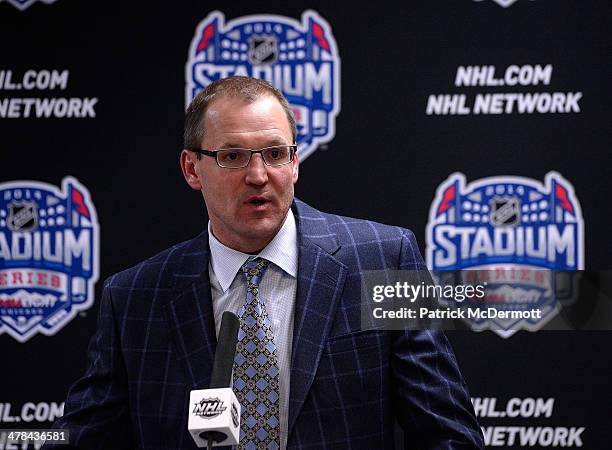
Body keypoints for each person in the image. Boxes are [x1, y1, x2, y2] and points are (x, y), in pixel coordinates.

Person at [48, 76, 483, 449]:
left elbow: (448, 430)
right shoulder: (135, 297)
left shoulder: (388, 258)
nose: (259, 175)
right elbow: (83, 436)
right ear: (192, 168)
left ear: (294, 162)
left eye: (275, 153)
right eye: (233, 157)